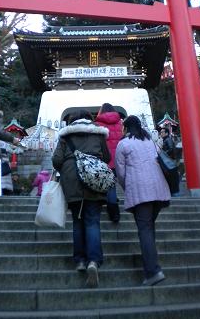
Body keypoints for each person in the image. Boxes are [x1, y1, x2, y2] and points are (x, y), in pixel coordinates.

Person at [52, 109, 110, 287]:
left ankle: (80, 260)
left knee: (78, 221)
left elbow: (56, 160)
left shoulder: (65, 136)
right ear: (90, 119)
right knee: (92, 221)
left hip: (72, 181)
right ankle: (94, 260)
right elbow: (107, 157)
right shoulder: (98, 134)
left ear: (72, 120)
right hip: (94, 179)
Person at [115, 115, 171, 286]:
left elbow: (121, 173)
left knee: (145, 230)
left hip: (140, 192)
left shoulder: (123, 144)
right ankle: (152, 265)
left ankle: (153, 271)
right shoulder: (150, 142)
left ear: (125, 128)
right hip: (159, 189)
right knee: (149, 228)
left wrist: (127, 187)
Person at [95, 102, 123, 223]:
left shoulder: (97, 125)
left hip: (105, 160)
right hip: (120, 160)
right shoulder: (120, 124)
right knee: (113, 184)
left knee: (109, 185)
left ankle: (114, 213)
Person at [159, 127, 180, 196]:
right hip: (170, 163)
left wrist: (164, 154)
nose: (161, 133)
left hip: (170, 163)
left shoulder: (168, 139)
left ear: (167, 133)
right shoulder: (166, 140)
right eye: (161, 132)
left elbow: (171, 149)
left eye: (162, 132)